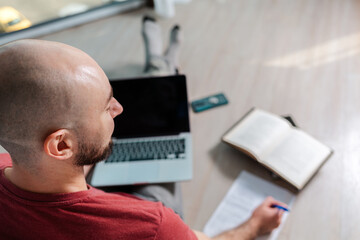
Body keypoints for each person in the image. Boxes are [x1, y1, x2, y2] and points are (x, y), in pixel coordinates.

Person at [0, 37, 287, 239]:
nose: (118, 109)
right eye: (105, 106)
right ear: (62, 145)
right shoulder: (152, 225)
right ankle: (162, 65)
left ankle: (161, 64)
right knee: (157, 136)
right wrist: (253, 226)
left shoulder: (12, 160)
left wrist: (82, 155)